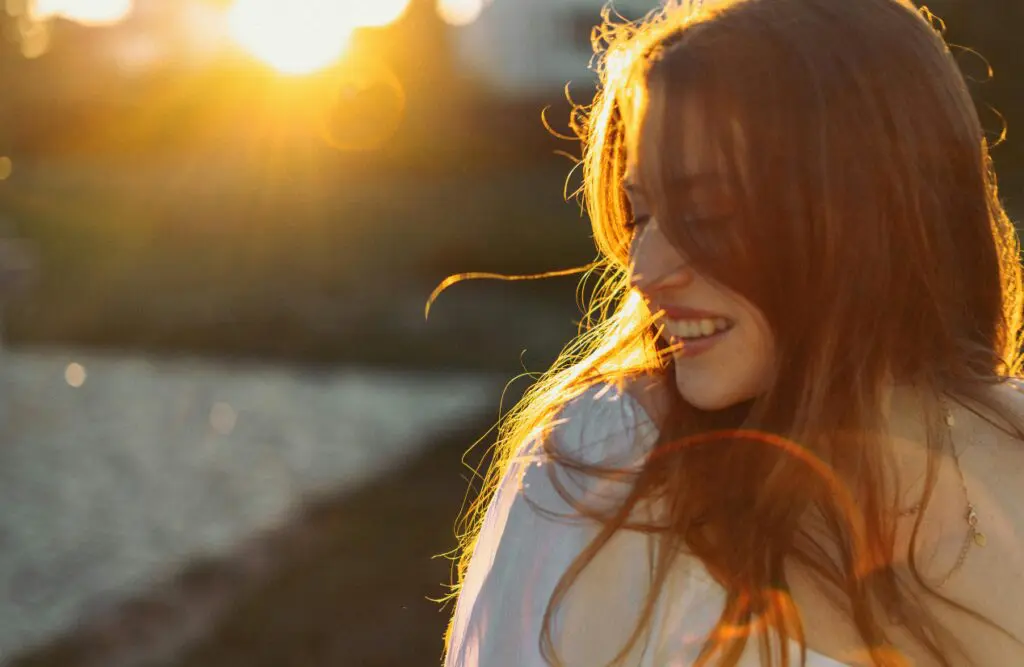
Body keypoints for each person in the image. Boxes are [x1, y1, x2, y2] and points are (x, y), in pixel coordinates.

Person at [442, 0, 1024, 664]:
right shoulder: (609, 473)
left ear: (872, 212)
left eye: (708, 213)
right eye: (640, 215)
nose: (643, 271)